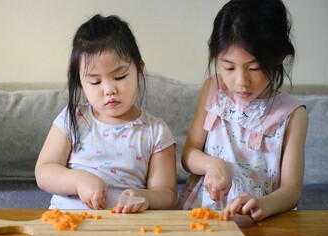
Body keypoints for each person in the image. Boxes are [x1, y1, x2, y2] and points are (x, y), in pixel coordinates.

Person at [177, 0, 308, 222]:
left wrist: (263, 205)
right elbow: (188, 154)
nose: (241, 82)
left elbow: (292, 191)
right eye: (228, 67)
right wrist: (213, 164)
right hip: (204, 213)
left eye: (254, 68)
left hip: (259, 220)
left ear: (277, 58)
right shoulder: (213, 89)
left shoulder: (293, 114)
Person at [35, 14, 177, 213]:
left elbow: (167, 194)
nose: (109, 89)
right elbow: (44, 171)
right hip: (67, 224)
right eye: (95, 82)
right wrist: (77, 180)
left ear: (139, 70)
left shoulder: (155, 131)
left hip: (125, 227)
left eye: (119, 76)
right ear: (81, 82)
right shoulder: (73, 118)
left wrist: (145, 197)